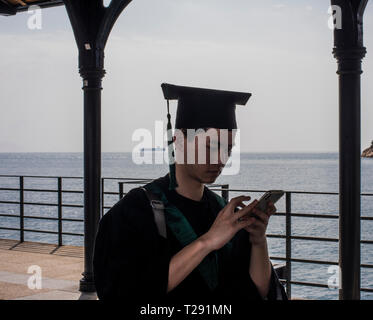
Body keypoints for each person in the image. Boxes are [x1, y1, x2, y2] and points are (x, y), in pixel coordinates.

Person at [93, 83, 287, 304]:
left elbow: (256, 292)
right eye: (210, 147)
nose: (221, 159)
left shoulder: (222, 213)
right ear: (179, 141)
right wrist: (207, 242)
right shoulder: (136, 211)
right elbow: (123, 291)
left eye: (228, 149)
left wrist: (258, 241)